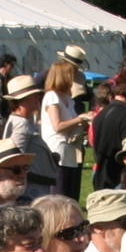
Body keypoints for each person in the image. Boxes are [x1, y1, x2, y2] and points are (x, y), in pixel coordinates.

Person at [38, 59, 89, 197]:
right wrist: (80, 118)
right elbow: (57, 125)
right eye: (70, 74)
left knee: (71, 192)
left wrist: (82, 123)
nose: (73, 77)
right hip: (57, 148)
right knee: (60, 191)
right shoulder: (51, 96)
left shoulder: (68, 98)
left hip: (70, 148)